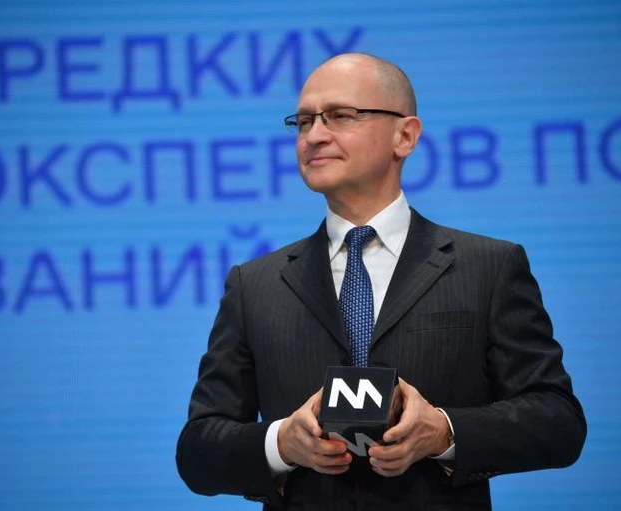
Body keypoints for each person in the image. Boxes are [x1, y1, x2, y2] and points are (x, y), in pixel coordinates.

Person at [176, 53, 586, 510]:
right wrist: (281, 443)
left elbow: (558, 421)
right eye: (304, 121)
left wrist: (444, 432)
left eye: (340, 115)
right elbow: (197, 450)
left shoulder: (488, 267)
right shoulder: (254, 286)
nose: (314, 135)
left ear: (404, 136)